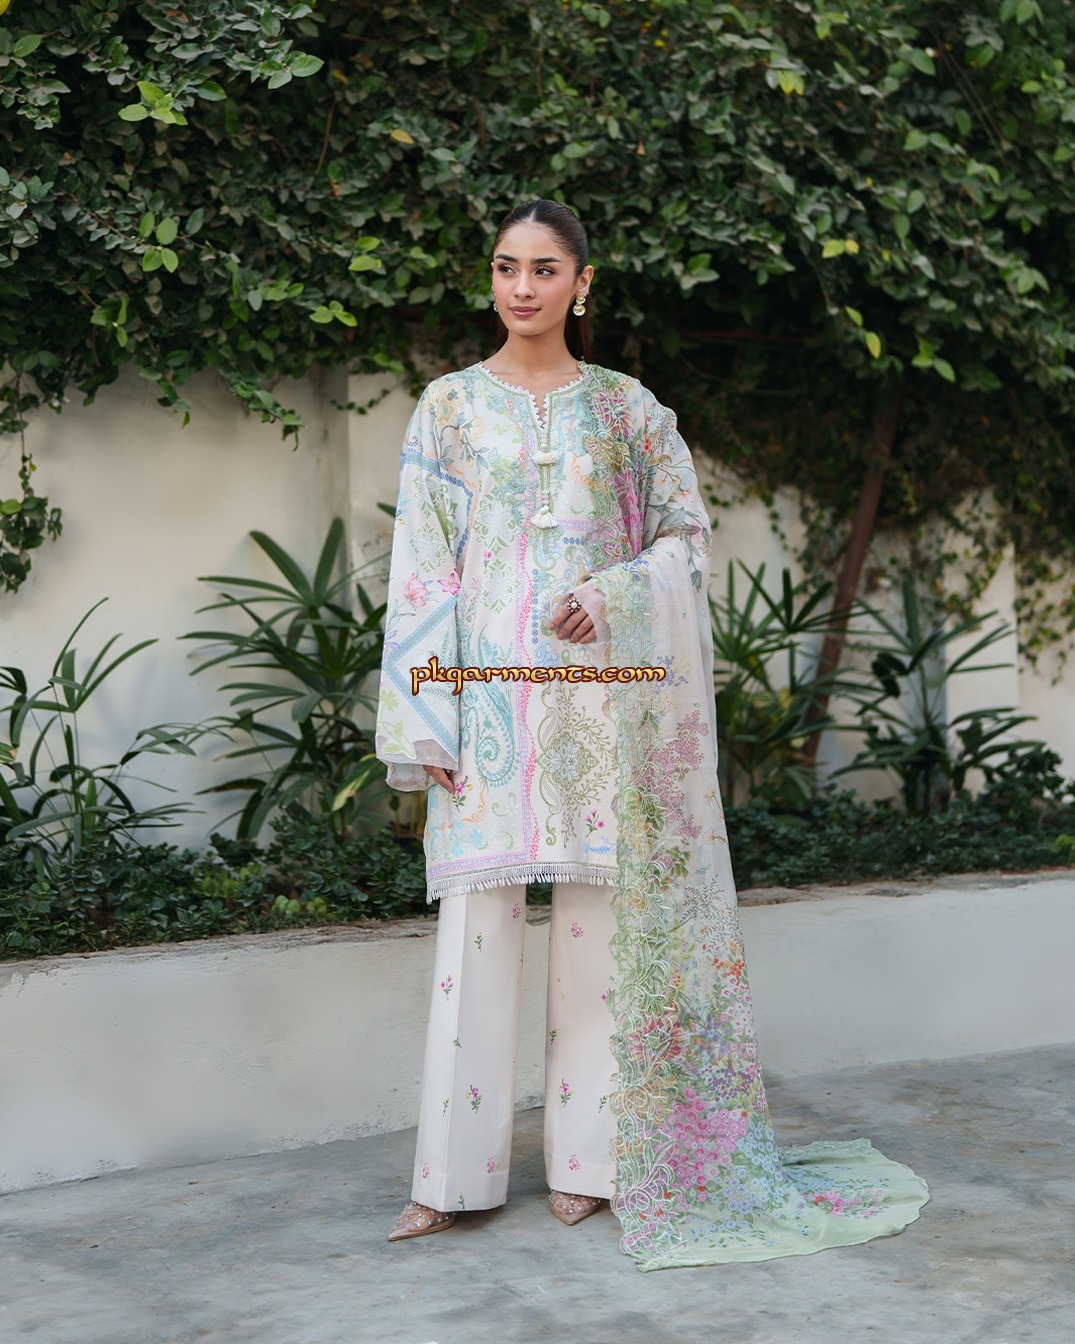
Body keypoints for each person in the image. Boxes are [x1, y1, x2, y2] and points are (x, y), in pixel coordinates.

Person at [374, 200, 929, 1269]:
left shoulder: (630, 413)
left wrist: (613, 595)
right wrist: (425, 716)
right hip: (486, 706)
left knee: (597, 937)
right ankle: (447, 1183)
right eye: (504, 267)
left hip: (605, 703)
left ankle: (588, 1167)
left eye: (543, 269)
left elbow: (684, 540)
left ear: (582, 283)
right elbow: (423, 573)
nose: (521, 287)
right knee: (474, 937)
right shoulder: (447, 409)